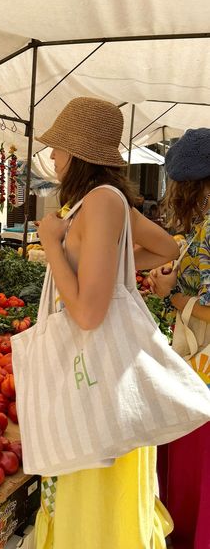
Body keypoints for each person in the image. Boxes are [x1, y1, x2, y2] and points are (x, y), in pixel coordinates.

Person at [34, 97, 179, 549]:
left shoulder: (98, 203)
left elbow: (88, 314)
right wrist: (114, 266)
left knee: (94, 509)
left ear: (77, 153)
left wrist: (52, 244)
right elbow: (168, 249)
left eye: (58, 148)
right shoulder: (102, 202)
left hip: (95, 382)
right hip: (101, 376)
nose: (53, 156)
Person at [147, 128, 210, 549]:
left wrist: (176, 296)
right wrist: (175, 274)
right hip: (195, 359)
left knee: (196, 464)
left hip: (203, 368)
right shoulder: (204, 224)